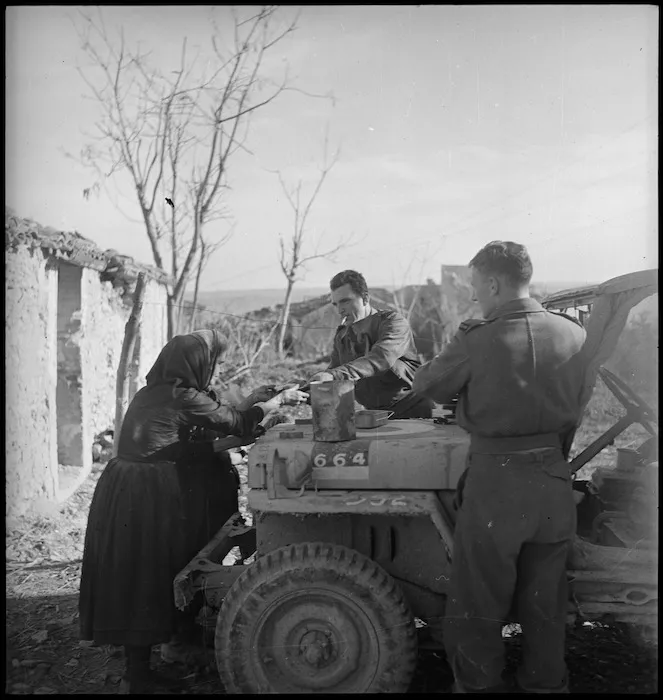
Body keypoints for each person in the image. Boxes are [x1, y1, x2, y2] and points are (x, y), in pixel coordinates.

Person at [79, 329, 307, 693]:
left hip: (125, 486)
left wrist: (248, 410)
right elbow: (237, 423)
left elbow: (188, 445)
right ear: (196, 365)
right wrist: (275, 403)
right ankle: (138, 678)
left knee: (136, 572)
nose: (211, 370)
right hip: (145, 491)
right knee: (147, 574)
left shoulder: (154, 393)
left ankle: (151, 658)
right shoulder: (182, 397)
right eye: (209, 363)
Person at [413, 241, 586, 694]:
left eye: (475, 287)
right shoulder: (574, 335)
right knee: (546, 601)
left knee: (477, 602)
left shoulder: (479, 337)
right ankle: (547, 686)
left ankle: (479, 687)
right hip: (552, 478)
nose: (475, 296)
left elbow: (427, 384)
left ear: (492, 283)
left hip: (497, 481)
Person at [309, 269, 433, 418]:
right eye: (335, 304)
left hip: (411, 411)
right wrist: (303, 388)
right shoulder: (343, 335)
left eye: (345, 301)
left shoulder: (393, 323)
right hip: (374, 415)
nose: (340, 310)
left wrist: (333, 375)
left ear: (365, 298)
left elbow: (381, 357)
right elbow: (334, 373)